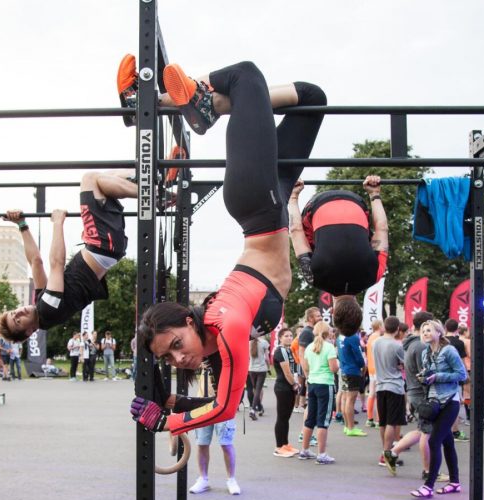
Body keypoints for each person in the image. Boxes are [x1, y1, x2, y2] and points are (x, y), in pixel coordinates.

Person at [132, 60, 326, 437]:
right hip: (276, 191)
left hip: (257, 202)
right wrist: (169, 402)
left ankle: (194, 102)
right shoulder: (219, 342)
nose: (178, 358)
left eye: (176, 345)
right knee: (312, 99)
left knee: (245, 76)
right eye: (168, 357)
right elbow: (224, 403)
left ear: (190, 323)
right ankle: (204, 104)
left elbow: (223, 409)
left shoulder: (227, 325)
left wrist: (164, 423)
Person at [0, 169, 137, 342]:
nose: (19, 313)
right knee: (90, 179)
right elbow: (56, 263)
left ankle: (151, 183)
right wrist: (58, 223)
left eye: (14, 313)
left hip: (104, 247)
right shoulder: (48, 310)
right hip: (101, 245)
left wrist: (22, 225)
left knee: (105, 180)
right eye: (18, 321)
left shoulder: (42, 306)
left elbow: (35, 262)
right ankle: (152, 194)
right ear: (29, 332)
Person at [288, 173, 388, 346]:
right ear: (333, 311)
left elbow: (382, 228)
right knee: (307, 247)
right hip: (318, 204)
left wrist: (374, 193)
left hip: (356, 203)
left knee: (370, 241)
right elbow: (296, 230)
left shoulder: (374, 276)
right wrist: (293, 196)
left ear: (359, 308)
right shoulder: (314, 278)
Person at [409, 320, 467, 498]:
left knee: (434, 441)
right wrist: (424, 377)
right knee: (447, 443)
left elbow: (462, 374)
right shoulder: (426, 353)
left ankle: (428, 486)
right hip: (434, 401)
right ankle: (455, 482)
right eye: (423, 331)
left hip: (450, 400)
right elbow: (429, 375)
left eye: (429, 330)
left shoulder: (449, 350)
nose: (425, 333)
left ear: (439, 332)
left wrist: (438, 376)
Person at [388, 311, 438, 480]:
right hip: (420, 393)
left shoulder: (411, 343)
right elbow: (424, 374)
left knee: (422, 429)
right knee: (427, 432)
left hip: (413, 391)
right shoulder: (421, 346)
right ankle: (428, 471)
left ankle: (393, 453)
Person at [187, 354, 241, 496]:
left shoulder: (225, 357)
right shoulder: (201, 354)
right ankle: (203, 478)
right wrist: (198, 362)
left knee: (226, 443)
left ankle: (231, 479)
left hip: (222, 405)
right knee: (202, 443)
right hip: (203, 404)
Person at [298, 321, 338, 464]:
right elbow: (333, 368)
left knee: (310, 418)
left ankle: (304, 450)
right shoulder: (329, 347)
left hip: (312, 383)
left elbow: (306, 366)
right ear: (328, 332)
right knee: (323, 420)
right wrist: (338, 364)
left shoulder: (310, 347)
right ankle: (322, 454)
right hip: (325, 384)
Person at [373, 316, 407, 472]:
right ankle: (387, 454)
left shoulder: (376, 342)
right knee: (392, 422)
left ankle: (384, 452)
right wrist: (400, 366)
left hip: (380, 384)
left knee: (383, 422)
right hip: (394, 385)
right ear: (398, 329)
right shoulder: (396, 345)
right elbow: (405, 364)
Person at [272, 328, 300, 457]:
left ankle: (285, 444)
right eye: (286, 336)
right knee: (281, 418)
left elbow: (294, 369)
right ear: (280, 338)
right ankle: (279, 447)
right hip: (282, 387)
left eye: (290, 335)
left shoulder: (288, 350)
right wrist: (294, 384)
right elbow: (287, 372)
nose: (289, 338)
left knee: (286, 418)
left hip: (288, 387)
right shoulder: (280, 351)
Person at [337, 327, 367, 437]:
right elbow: (358, 355)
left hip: (344, 369)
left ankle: (347, 426)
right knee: (350, 400)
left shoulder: (340, 336)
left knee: (345, 398)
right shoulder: (353, 337)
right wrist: (363, 365)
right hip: (352, 371)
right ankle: (351, 427)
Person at [364, 319, 383, 428]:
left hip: (371, 368)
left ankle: (370, 418)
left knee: (372, 393)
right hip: (378, 369)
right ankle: (378, 420)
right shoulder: (378, 338)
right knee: (378, 395)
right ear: (379, 326)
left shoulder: (371, 337)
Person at [246, 335, 270, 420]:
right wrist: (269, 368)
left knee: (255, 389)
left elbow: (247, 357)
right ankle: (253, 410)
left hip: (251, 369)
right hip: (261, 369)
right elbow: (267, 358)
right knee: (258, 390)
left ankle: (260, 408)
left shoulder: (248, 343)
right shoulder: (264, 342)